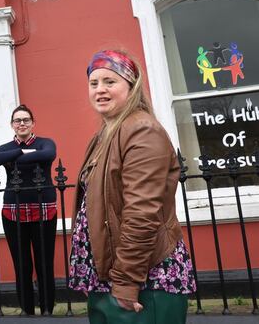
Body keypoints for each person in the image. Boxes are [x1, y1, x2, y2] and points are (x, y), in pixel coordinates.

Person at [68, 50, 195, 324]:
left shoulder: (142, 130)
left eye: (110, 82)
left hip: (144, 280)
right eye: (94, 83)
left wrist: (126, 281)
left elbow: (142, 213)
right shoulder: (105, 135)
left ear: (131, 85)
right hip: (109, 278)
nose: (100, 89)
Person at [0, 104, 57, 315]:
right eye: (18, 120)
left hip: (44, 210)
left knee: (44, 265)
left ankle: (47, 311)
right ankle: (27, 312)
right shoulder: (9, 147)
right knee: (22, 266)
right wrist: (20, 150)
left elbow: (48, 155)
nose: (22, 123)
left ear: (33, 123)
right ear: (12, 125)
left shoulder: (45, 143)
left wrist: (12, 156)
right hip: (13, 213)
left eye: (26, 120)